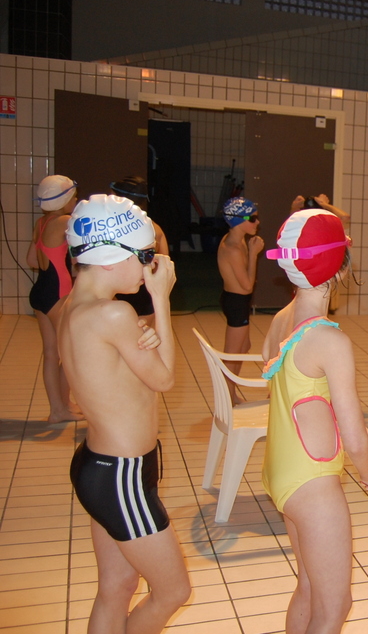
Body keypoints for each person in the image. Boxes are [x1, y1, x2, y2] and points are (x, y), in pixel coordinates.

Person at [261, 209, 368, 633]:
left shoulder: (282, 319)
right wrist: (367, 469)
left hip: (282, 469)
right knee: (335, 605)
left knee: (309, 588)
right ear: (341, 268)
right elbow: (352, 433)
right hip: (313, 483)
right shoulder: (330, 340)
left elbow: (302, 394)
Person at [62, 194, 192, 633]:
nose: (150, 267)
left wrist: (145, 336)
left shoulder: (74, 308)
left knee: (116, 588)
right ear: (110, 256)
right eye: (145, 256)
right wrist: (161, 302)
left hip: (101, 465)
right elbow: (164, 379)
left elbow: (113, 375)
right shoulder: (114, 313)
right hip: (122, 476)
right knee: (173, 592)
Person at [28, 175, 82, 423]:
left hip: (40, 291)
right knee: (73, 349)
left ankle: (59, 408)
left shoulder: (41, 223)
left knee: (51, 353)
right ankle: (62, 407)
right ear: (64, 199)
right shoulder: (65, 221)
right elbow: (79, 256)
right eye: (74, 197)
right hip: (57, 293)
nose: (76, 201)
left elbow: (31, 260)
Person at [218, 196, 264, 404]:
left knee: (244, 347)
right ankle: (226, 397)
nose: (257, 222)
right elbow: (247, 286)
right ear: (239, 220)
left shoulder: (237, 239)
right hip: (236, 302)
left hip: (238, 301)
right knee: (232, 354)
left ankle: (230, 392)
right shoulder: (233, 249)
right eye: (252, 218)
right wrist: (254, 255)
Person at [110, 176, 170, 327]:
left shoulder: (108, 229)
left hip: (114, 290)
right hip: (143, 291)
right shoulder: (155, 228)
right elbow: (164, 266)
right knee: (142, 339)